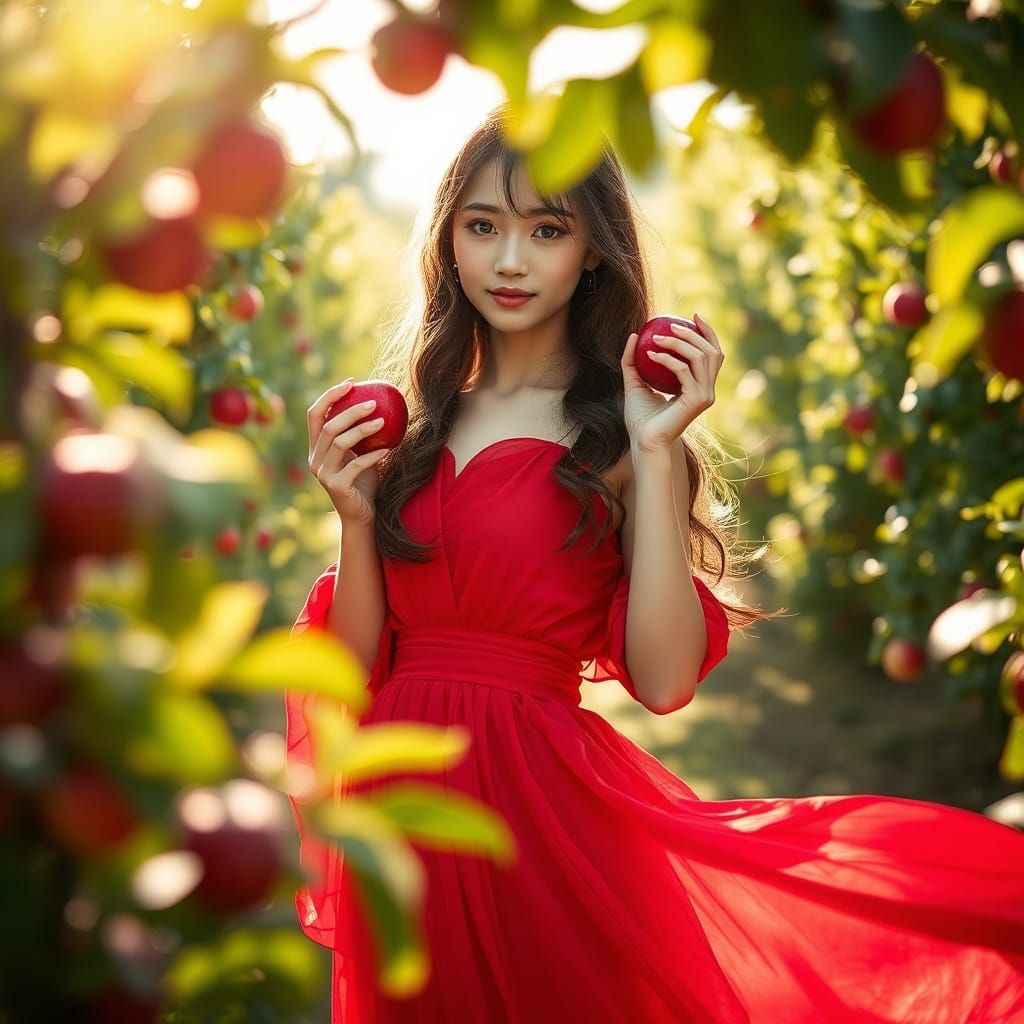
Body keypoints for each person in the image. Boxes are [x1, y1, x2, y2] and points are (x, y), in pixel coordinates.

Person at [285, 101, 1024, 1023]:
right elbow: (350, 676)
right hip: (403, 820)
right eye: (483, 227)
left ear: (593, 249)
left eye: (546, 230)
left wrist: (658, 449)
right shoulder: (412, 429)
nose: (510, 260)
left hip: (537, 815)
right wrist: (355, 520)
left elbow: (666, 680)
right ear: (449, 241)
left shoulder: (618, 438)